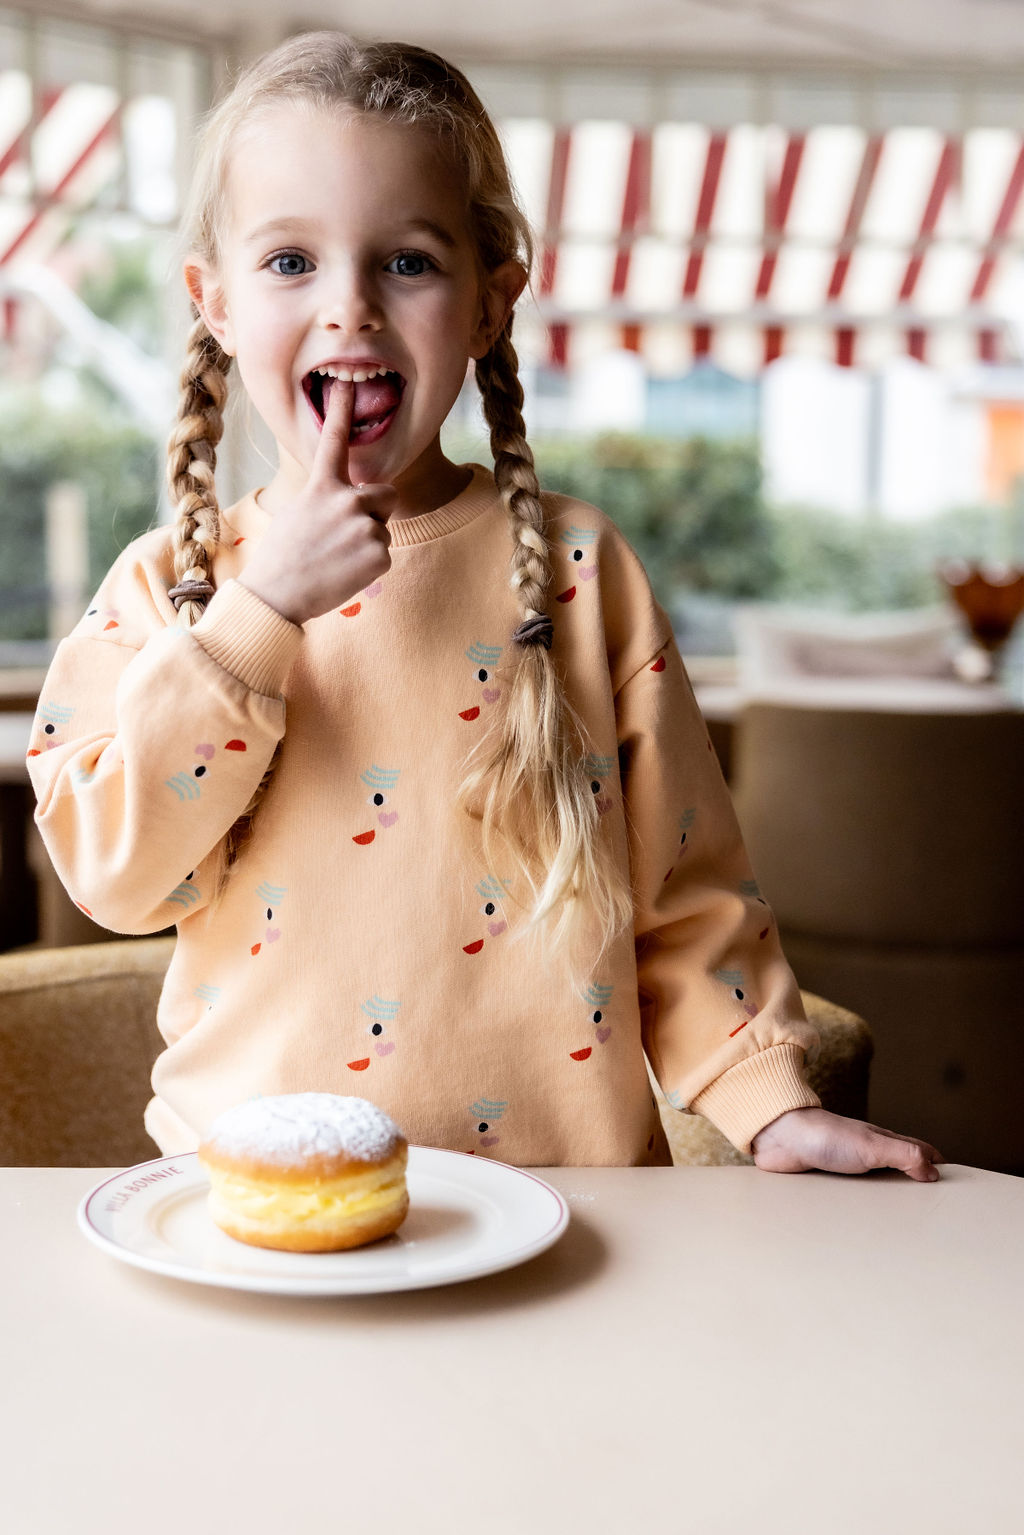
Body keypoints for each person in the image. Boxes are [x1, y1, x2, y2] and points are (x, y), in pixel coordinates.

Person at [28, 31, 941, 1181]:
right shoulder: (171, 584)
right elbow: (113, 873)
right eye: (290, 261)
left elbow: (686, 890)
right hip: (257, 1209)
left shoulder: (578, 572)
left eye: (407, 262)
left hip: (569, 1202)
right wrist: (255, 617)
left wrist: (768, 1103)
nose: (349, 308)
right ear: (213, 303)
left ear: (488, 303)